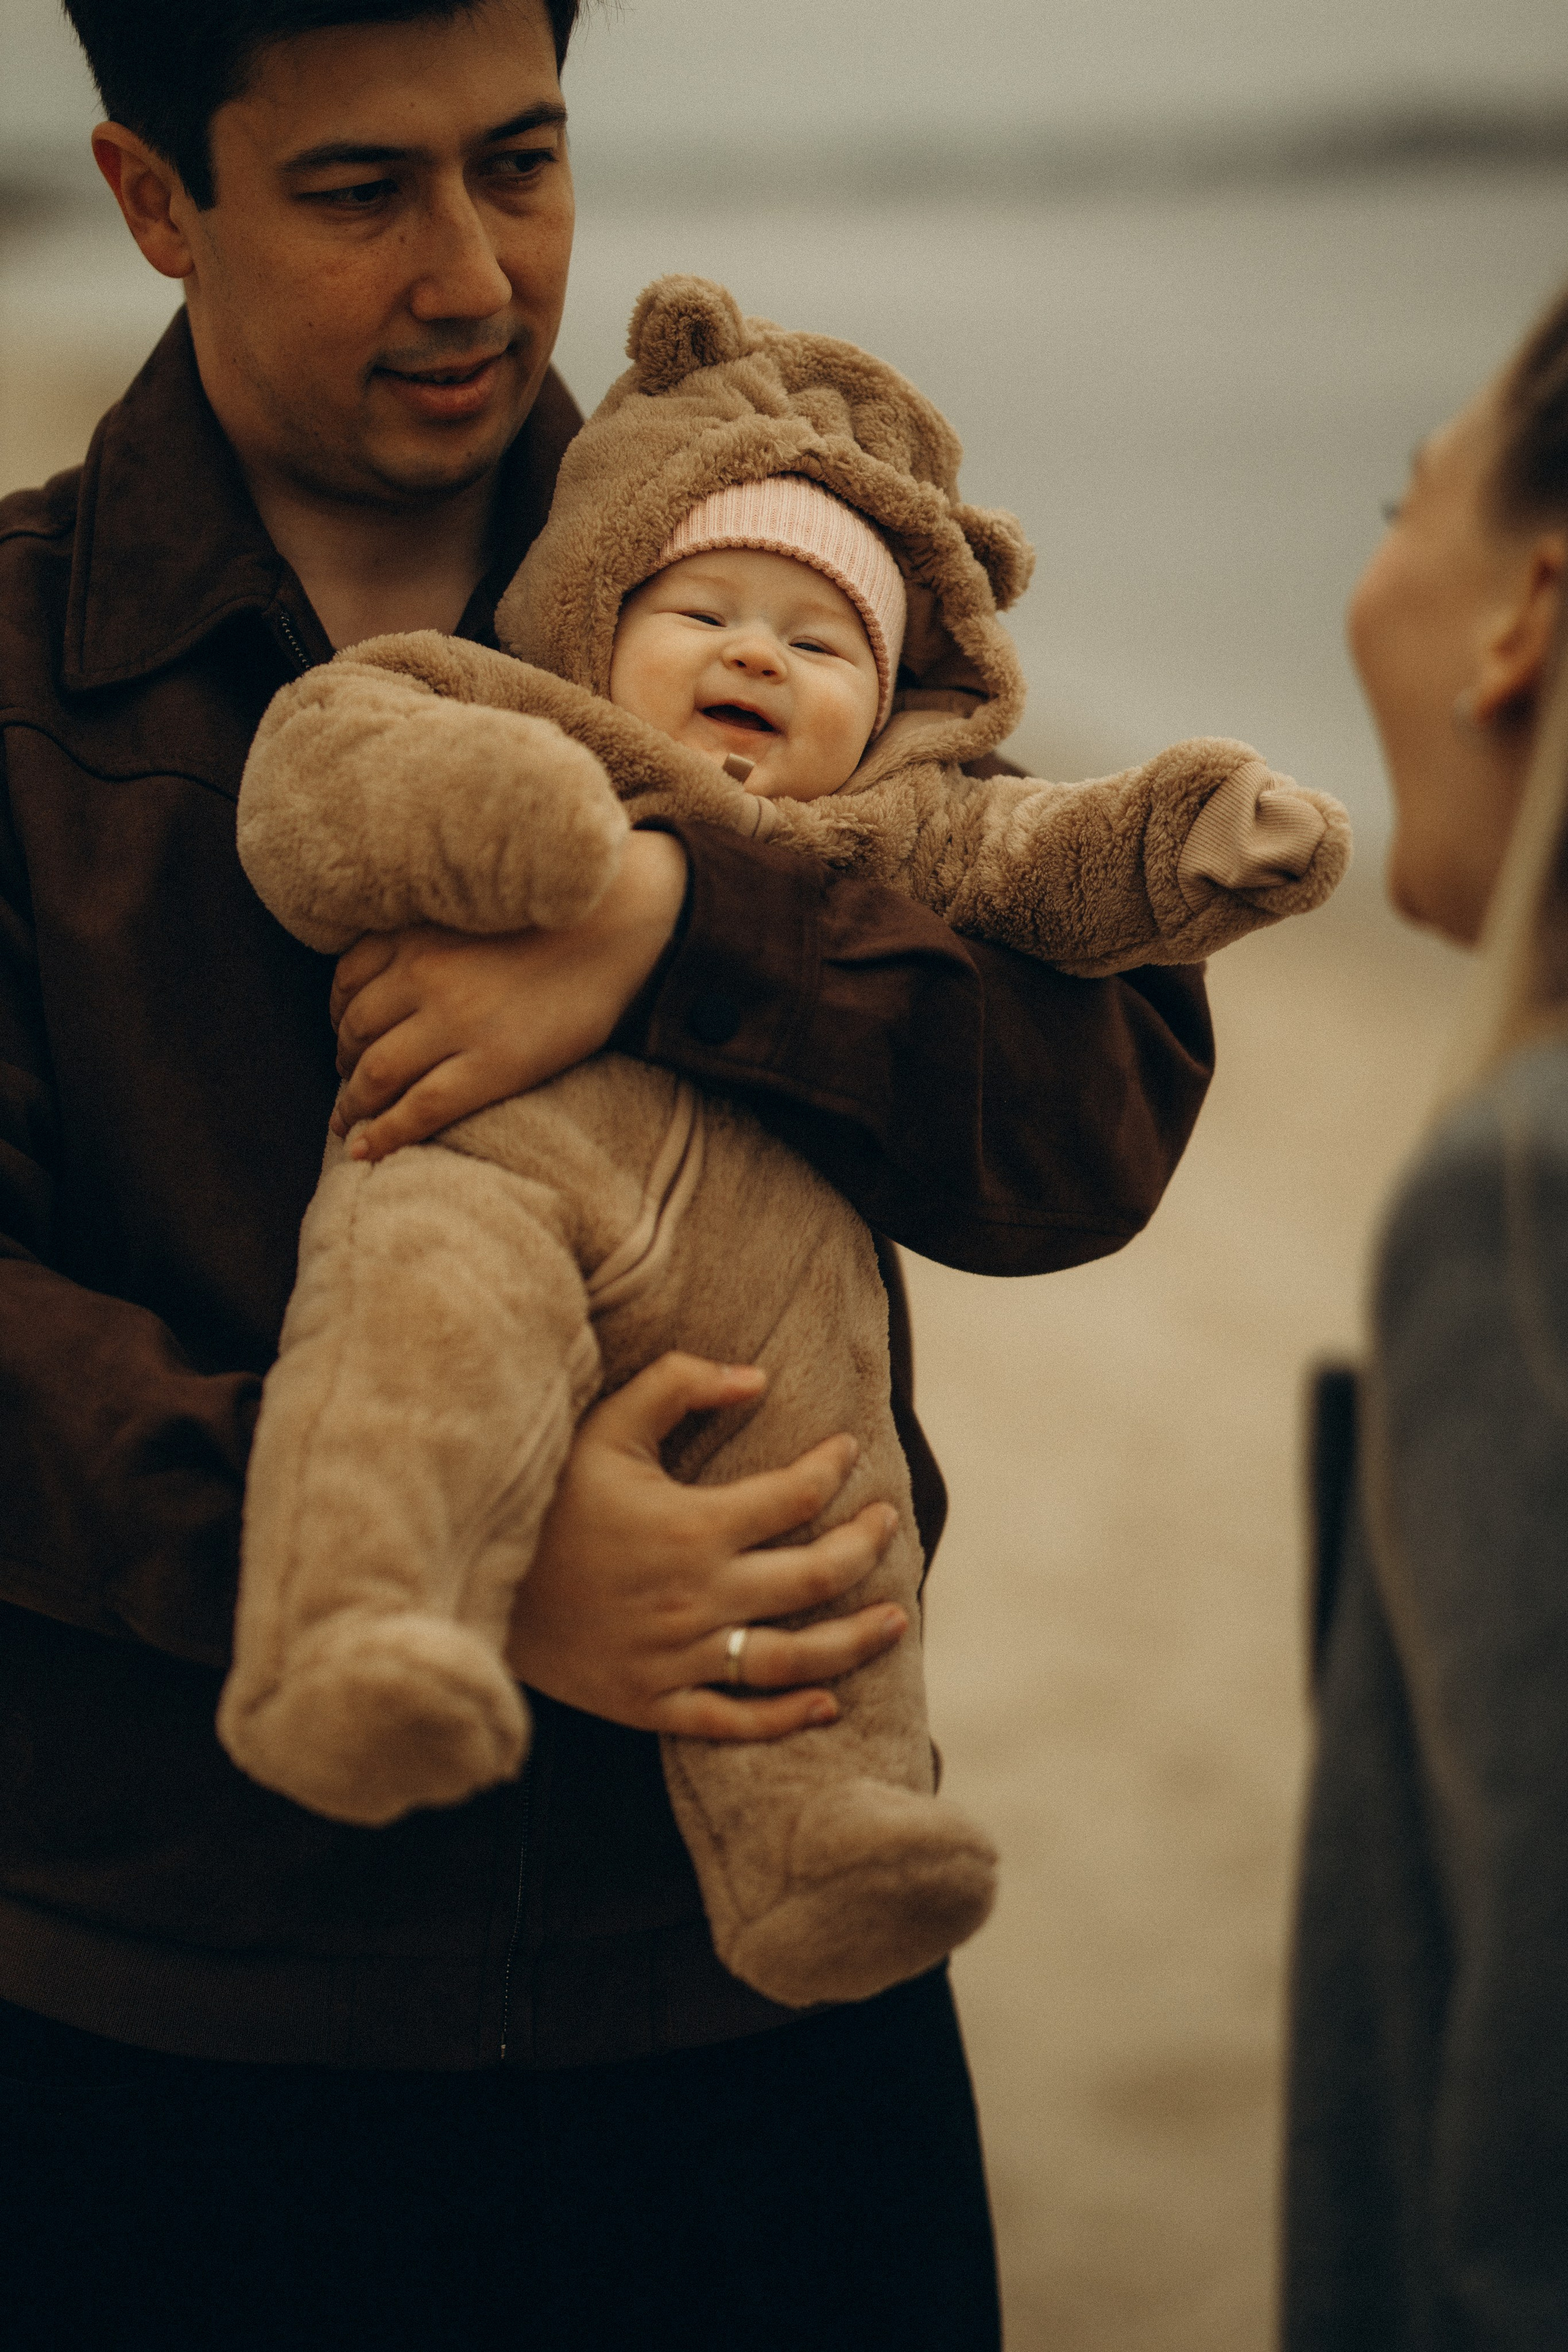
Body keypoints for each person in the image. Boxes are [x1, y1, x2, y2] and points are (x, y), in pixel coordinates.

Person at [0, 4, 1214, 2343]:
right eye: (364, 191)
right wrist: (451, 1549)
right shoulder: (17, 699)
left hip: (761, 2032)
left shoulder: (784, 580)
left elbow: (1093, 1136)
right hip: (174, 2047)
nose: (474, 270)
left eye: (524, 163)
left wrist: (682, 927)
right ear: (157, 200)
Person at [218, 280, 1345, 2003]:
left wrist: (1201, 833)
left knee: (833, 1523)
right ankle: (362, 1639)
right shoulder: (525, 716)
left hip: (775, 1290)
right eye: (706, 610)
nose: (758, 653)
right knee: (413, 1356)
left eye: (821, 645)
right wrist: (518, 834)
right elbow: (327, 765)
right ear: (598, 611)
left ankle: (834, 1834)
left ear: (885, 703)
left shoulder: (896, 827)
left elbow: (1053, 858)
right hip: (492, 1177)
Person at [1284, 281, 1568, 2348]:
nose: (1362, 582)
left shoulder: (1522, 1208)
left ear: (1526, 615)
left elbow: (1520, 2164)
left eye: (1408, 503)